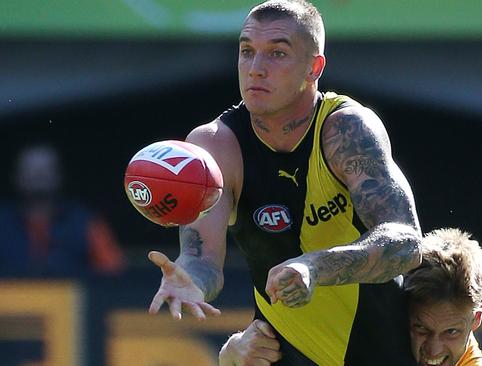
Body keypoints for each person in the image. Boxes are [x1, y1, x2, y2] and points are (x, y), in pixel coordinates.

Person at [146, 0, 422, 364]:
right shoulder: (214, 145)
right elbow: (202, 258)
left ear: (314, 67)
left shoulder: (346, 129)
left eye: (277, 53)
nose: (256, 69)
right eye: (247, 51)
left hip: (385, 352)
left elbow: (406, 243)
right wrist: (191, 280)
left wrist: (314, 267)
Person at [219, 228, 482, 366]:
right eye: (421, 328)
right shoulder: (366, 323)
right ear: (400, 309)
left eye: (451, 332)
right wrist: (233, 353)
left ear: (476, 320)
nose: (434, 351)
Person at [0, 144, 126, 275]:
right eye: (31, 169)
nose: (39, 174)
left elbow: (115, 275)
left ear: (59, 175)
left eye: (46, 169)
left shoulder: (86, 223)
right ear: (16, 176)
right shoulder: (2, 223)